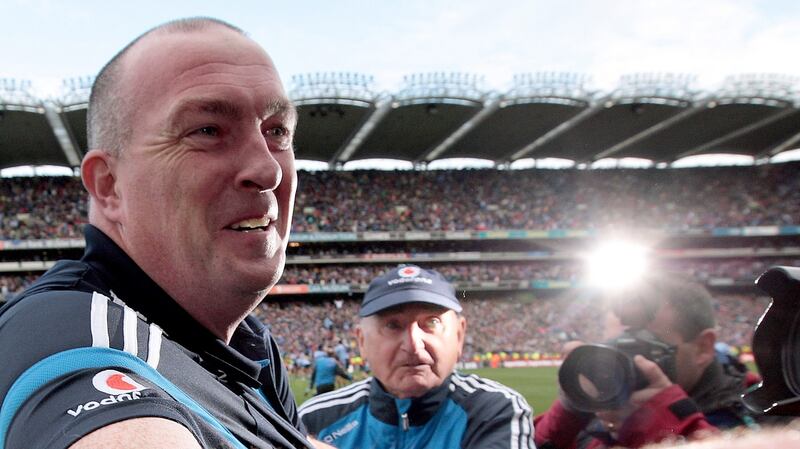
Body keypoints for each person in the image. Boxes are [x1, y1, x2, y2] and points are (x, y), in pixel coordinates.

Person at [0, 17, 320, 449]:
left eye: (277, 131)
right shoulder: (66, 336)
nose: (267, 170)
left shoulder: (249, 344)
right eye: (208, 131)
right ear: (109, 185)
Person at [298, 264, 535, 448]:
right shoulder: (313, 419)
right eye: (392, 325)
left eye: (431, 322)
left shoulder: (494, 411)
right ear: (362, 342)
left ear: (459, 335)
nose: (413, 344)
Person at [534, 275, 758, 449]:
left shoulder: (761, 411)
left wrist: (668, 426)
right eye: (614, 347)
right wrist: (570, 412)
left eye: (642, 347)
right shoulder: (596, 418)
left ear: (702, 348)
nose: (626, 362)